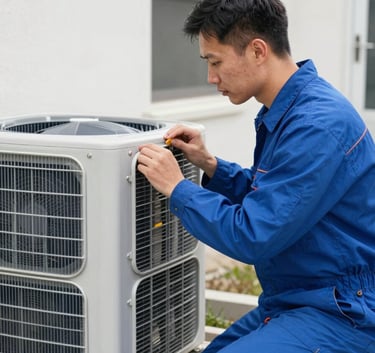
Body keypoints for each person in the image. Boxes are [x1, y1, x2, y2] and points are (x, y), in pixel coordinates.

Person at [137, 0, 375, 351]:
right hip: (297, 297)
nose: (211, 78)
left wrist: (177, 188)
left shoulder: (316, 124)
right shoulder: (290, 109)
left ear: (257, 50)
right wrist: (210, 165)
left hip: (341, 310)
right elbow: (276, 199)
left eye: (215, 62)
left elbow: (254, 233)